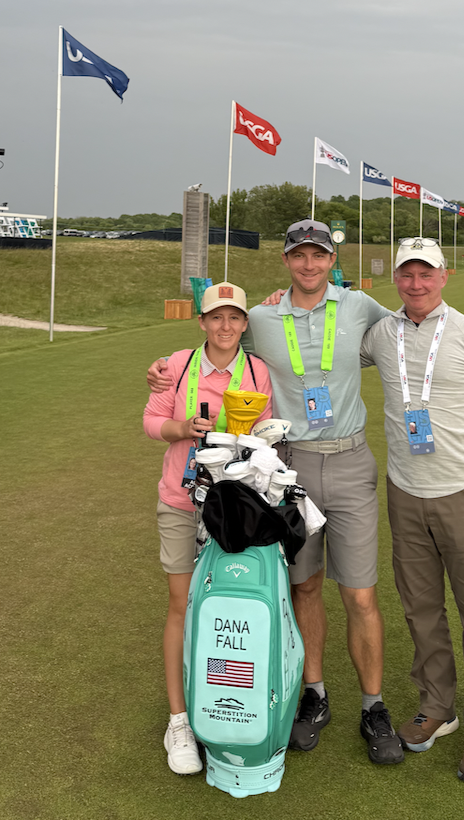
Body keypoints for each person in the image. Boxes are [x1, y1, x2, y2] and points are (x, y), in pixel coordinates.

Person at [149, 220, 404, 764]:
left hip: (352, 459)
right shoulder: (263, 317)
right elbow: (217, 340)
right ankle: (314, 695)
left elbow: (410, 326)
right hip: (288, 470)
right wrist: (164, 370)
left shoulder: (358, 305)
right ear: (287, 261)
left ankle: (373, 706)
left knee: (359, 593)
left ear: (333, 259)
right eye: (299, 256)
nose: (309, 265)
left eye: (319, 256)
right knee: (304, 588)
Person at [360, 237, 464, 784]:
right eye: (406, 273)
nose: (416, 283)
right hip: (406, 491)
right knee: (420, 608)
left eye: (426, 273)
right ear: (396, 279)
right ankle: (438, 707)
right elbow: (325, 344)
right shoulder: (381, 333)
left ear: (444, 276)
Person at [143, 282, 273, 775]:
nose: (225, 327)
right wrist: (183, 430)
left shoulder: (257, 370)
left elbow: (267, 429)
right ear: (202, 322)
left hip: (234, 505)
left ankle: (230, 701)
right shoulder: (176, 366)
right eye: (216, 317)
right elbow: (151, 422)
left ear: (245, 324)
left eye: (235, 318)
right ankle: (178, 720)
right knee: (182, 603)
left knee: (231, 604)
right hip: (180, 500)